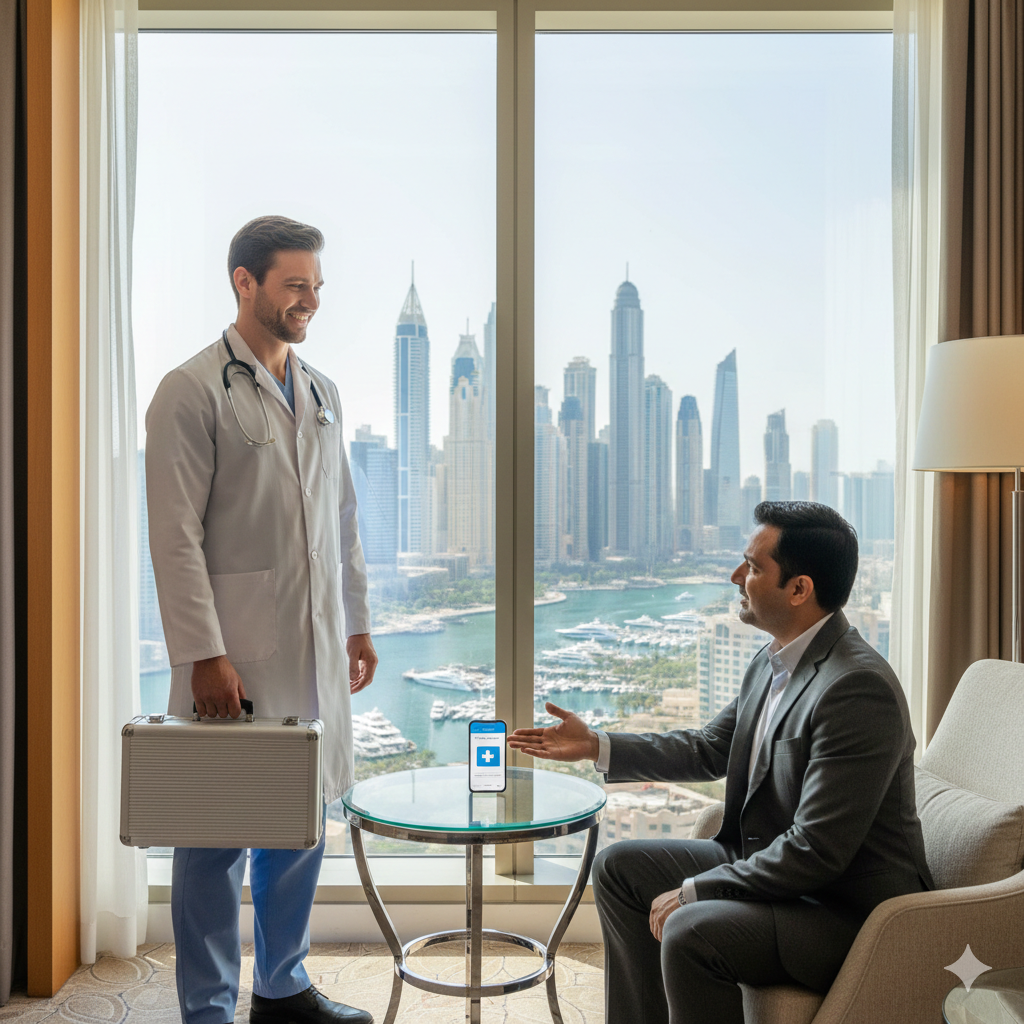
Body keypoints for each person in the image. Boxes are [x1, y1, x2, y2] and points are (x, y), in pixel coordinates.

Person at [508, 501, 933, 1024]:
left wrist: (695, 890)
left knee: (691, 931)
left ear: (799, 589)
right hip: (777, 871)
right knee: (619, 868)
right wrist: (597, 744)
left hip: (841, 911)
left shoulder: (856, 688)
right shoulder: (773, 658)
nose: (736, 577)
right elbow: (711, 747)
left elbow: (817, 851)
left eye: (753, 568)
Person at [146, 215, 377, 1024]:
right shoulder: (189, 389)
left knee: (299, 822)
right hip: (234, 655)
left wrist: (357, 621)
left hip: (313, 646)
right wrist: (205, 652)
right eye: (295, 285)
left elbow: (340, 519)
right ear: (245, 283)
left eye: (316, 286)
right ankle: (207, 1011)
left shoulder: (322, 392)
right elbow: (173, 537)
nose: (310, 300)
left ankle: (281, 988)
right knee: (214, 841)